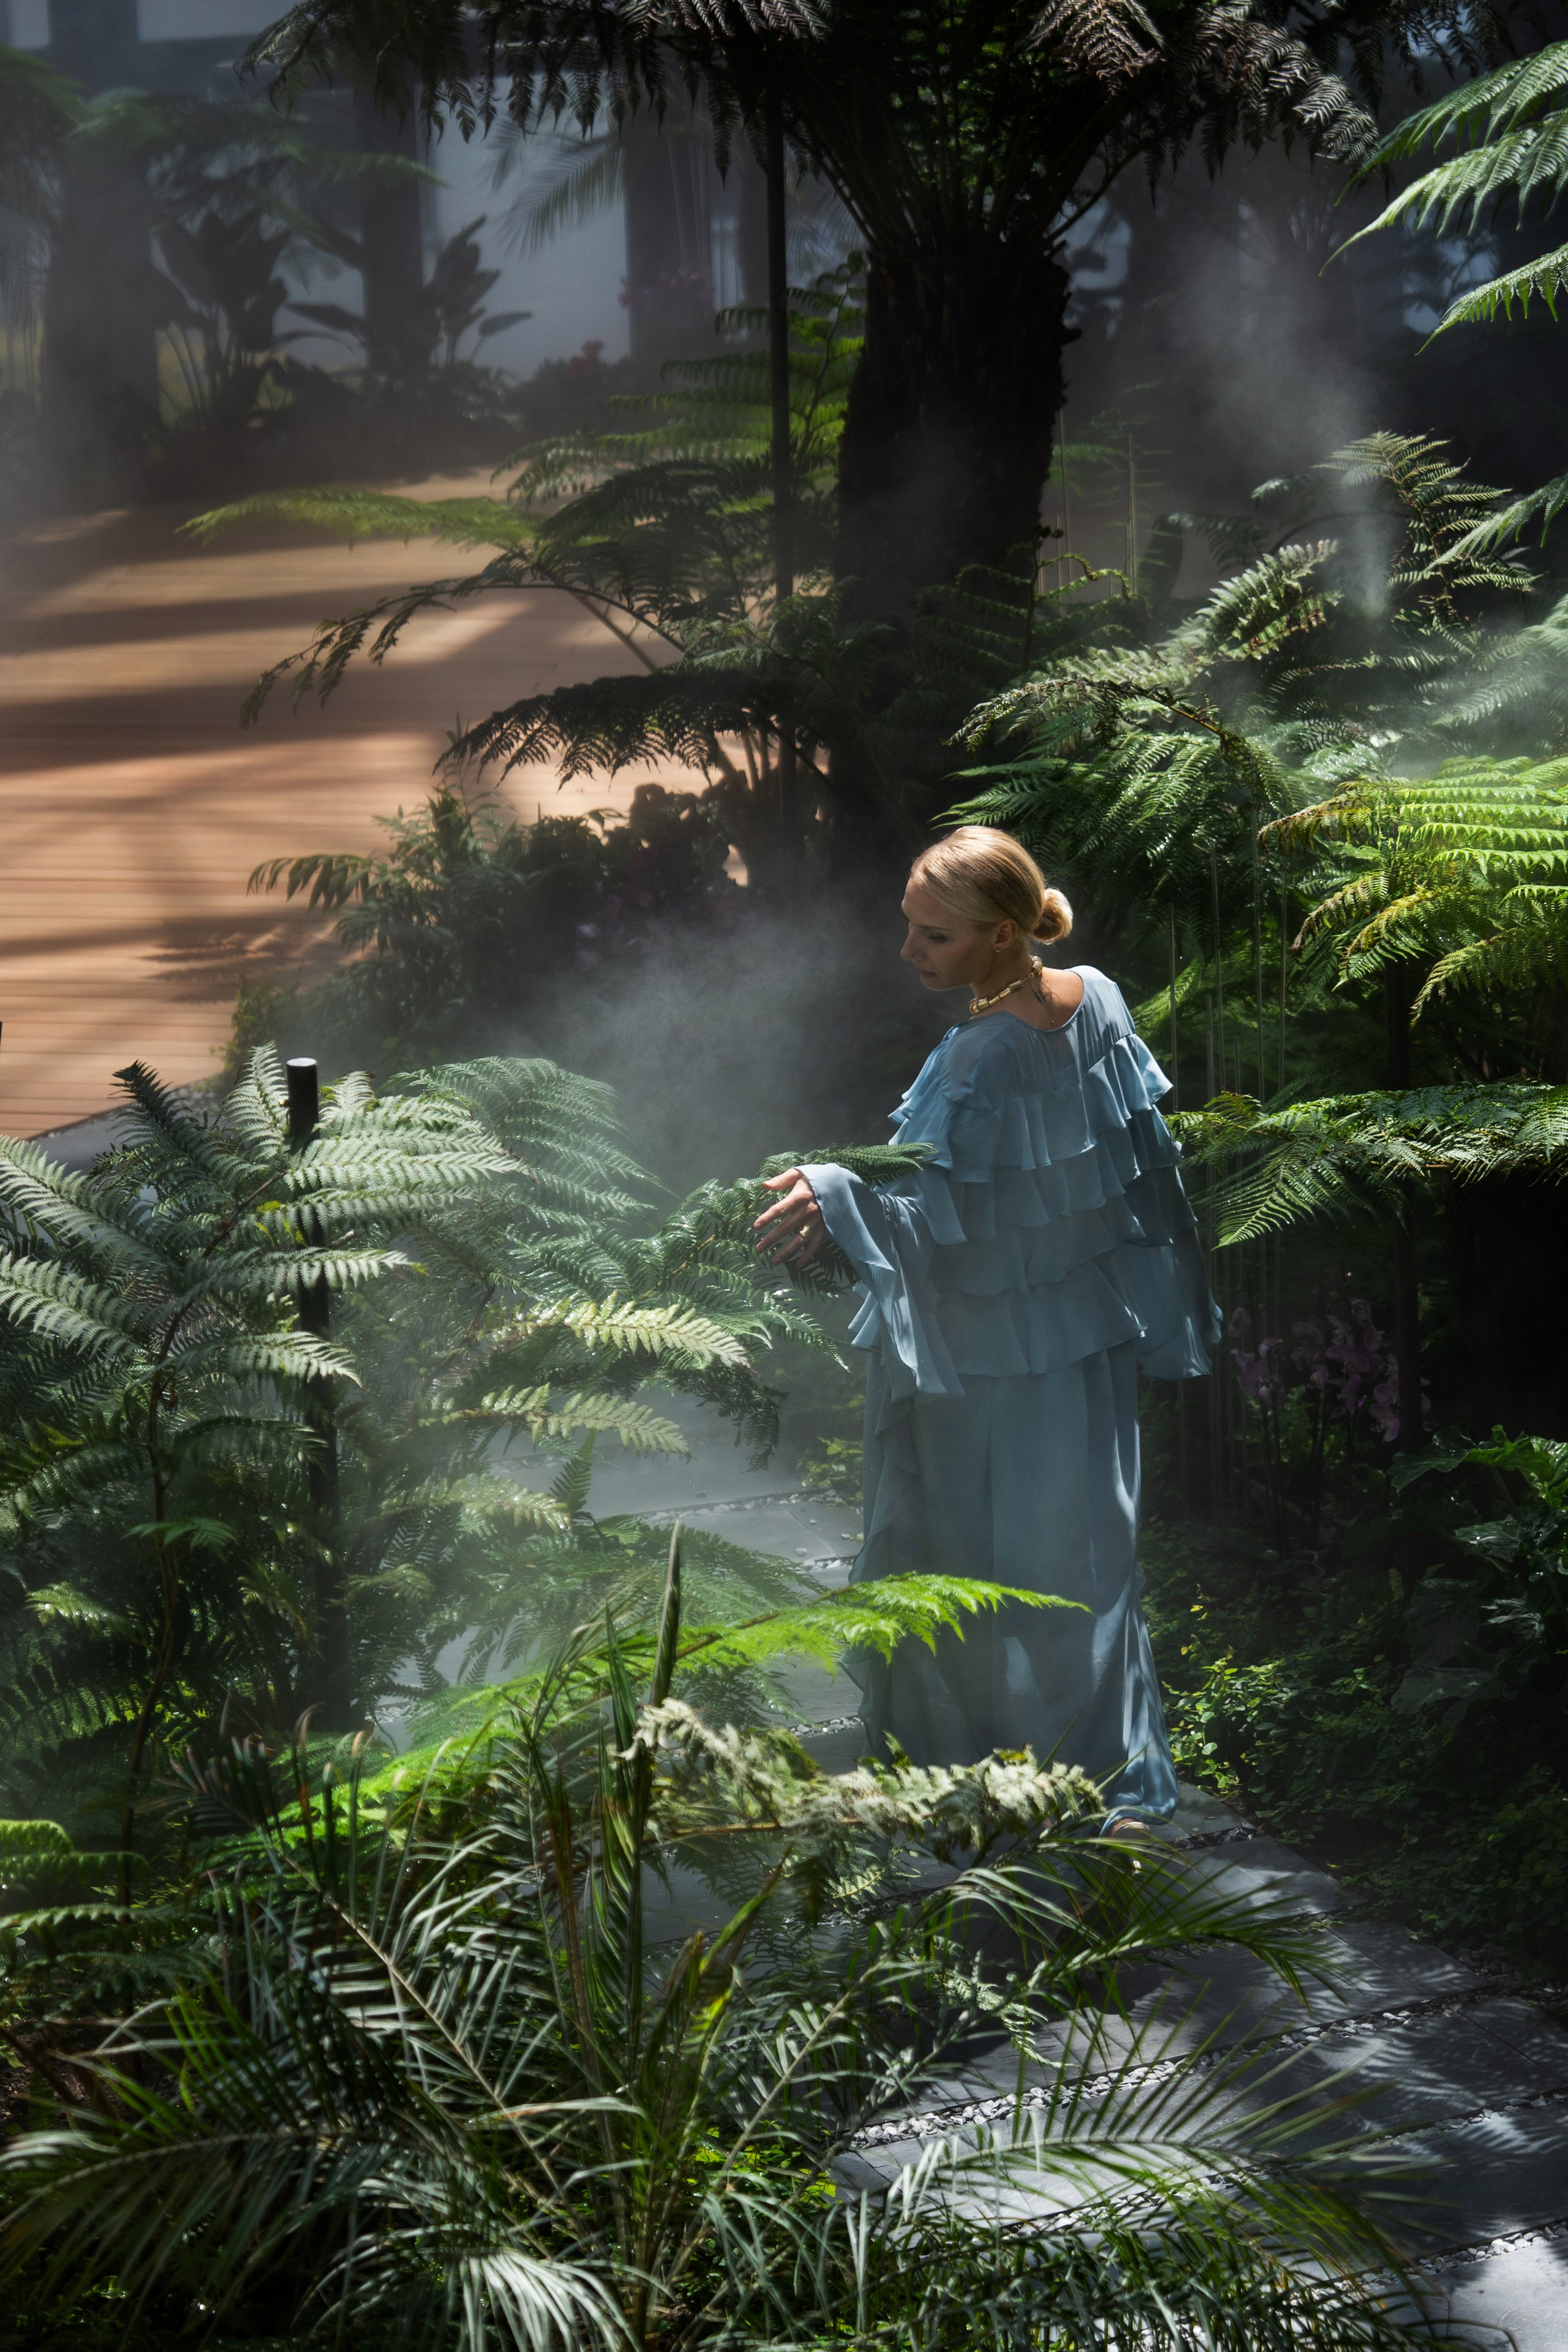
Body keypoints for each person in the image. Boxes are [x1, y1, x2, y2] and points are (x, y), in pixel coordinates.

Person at [753, 828, 1218, 1825]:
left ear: (1004, 935)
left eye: (937, 937)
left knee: (963, 1557)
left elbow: (926, 1210)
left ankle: (981, 1760)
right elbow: (1139, 1169)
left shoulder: (979, 1053)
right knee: (1082, 1554)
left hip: (984, 1360)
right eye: (910, 930)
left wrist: (832, 1191)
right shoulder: (1095, 997)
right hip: (1086, 1339)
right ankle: (1092, 1754)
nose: (911, 952)